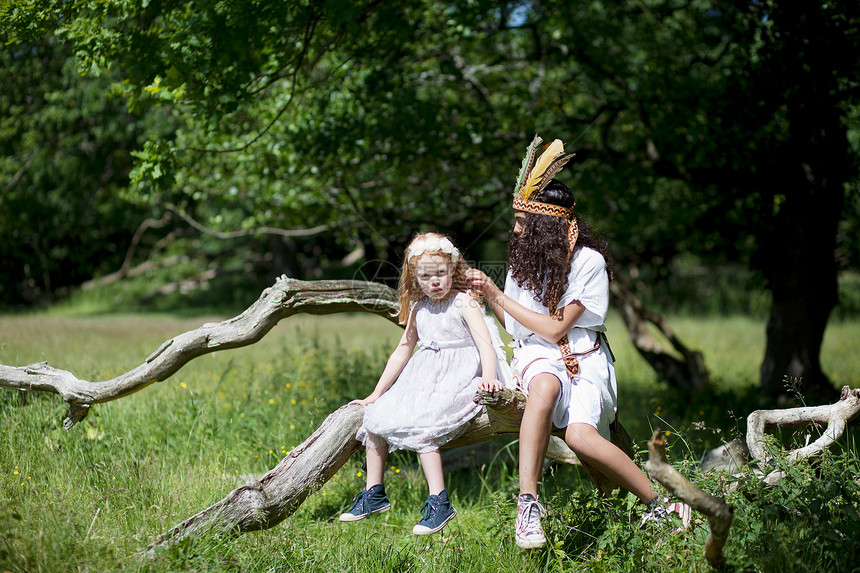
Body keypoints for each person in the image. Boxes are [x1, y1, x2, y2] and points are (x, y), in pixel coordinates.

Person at [466, 135, 689, 549]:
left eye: (522, 221)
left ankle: (660, 506)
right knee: (545, 387)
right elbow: (522, 331)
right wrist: (489, 295)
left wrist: (497, 297)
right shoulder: (523, 260)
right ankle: (528, 504)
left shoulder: (589, 261)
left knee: (581, 438)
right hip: (538, 356)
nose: (514, 228)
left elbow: (555, 328)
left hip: (586, 358)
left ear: (545, 226)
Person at [339, 232, 510, 535]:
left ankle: (439, 501)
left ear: (453, 270)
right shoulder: (419, 307)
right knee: (374, 419)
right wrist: (376, 393)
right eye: (426, 275)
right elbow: (403, 349)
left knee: (425, 426)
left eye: (441, 273)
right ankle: (374, 493)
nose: (434, 281)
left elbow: (486, 344)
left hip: (459, 376)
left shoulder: (464, 303)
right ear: (415, 278)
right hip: (423, 377)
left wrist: (490, 375)